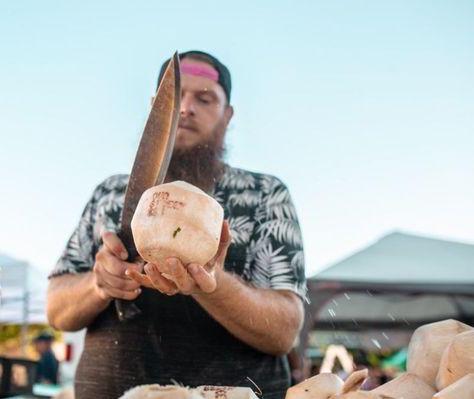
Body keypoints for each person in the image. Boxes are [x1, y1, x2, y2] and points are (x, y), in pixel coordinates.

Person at [47, 50, 307, 399]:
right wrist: (98, 285)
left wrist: (212, 286)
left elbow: (284, 332)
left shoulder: (264, 195)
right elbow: (57, 311)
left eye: (205, 99)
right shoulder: (111, 193)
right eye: (177, 98)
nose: (186, 108)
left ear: (227, 116)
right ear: (157, 108)